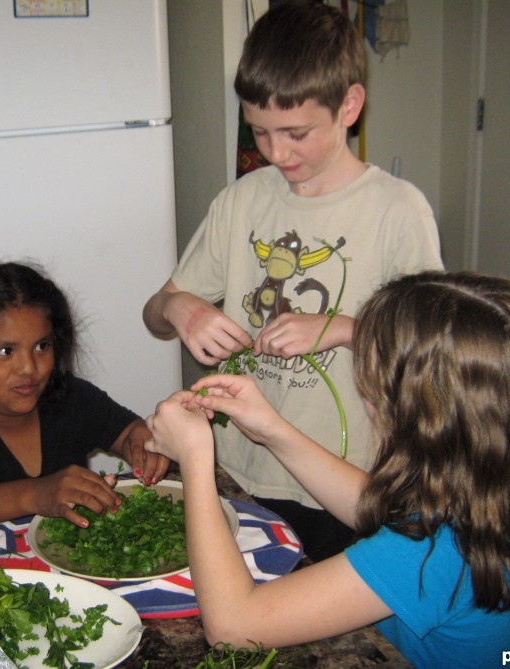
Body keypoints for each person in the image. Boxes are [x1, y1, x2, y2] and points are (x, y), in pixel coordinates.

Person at [144, 271, 510, 668]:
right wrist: (271, 429)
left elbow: (234, 626)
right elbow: (378, 508)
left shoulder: (434, 553)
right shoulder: (499, 486)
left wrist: (197, 460)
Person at [142, 1, 443, 560]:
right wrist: (181, 308)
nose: (276, 153)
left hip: (341, 478)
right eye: (260, 132)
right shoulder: (242, 200)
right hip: (239, 466)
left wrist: (343, 327)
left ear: (349, 104)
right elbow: (155, 311)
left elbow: (432, 349)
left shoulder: (398, 210)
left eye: (296, 132)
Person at [0, 260, 169, 535]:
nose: (29, 367)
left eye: (42, 346)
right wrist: (35, 494)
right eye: (5, 351)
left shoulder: (70, 397)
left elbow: (129, 433)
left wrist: (141, 444)